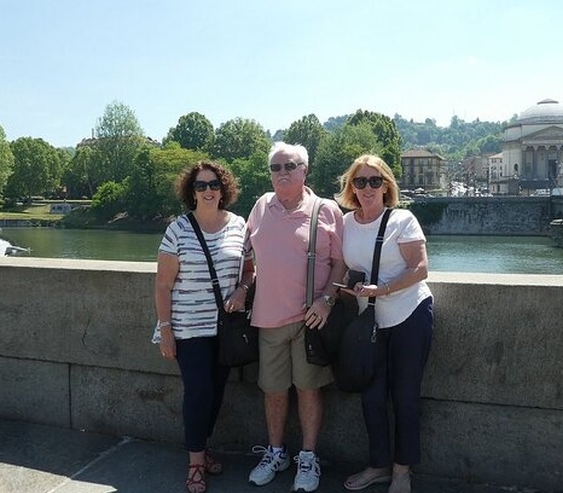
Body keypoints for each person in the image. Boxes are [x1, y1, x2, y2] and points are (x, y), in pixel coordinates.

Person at [246, 142, 346, 492]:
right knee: (273, 392)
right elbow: (244, 253)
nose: (282, 173)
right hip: (267, 318)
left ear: (305, 170)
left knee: (308, 390)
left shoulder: (326, 210)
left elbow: (341, 262)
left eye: (289, 166)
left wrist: (327, 299)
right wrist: (242, 286)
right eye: (275, 167)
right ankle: (276, 453)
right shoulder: (260, 206)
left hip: (310, 320)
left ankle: (307, 456)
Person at [153, 161, 254, 493]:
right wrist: (165, 328)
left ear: (223, 189)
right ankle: (196, 464)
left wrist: (241, 290)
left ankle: (202, 447)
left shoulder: (239, 226)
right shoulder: (178, 229)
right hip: (187, 328)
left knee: (216, 393)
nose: (208, 191)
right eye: (200, 186)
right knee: (199, 392)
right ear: (191, 191)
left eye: (213, 185)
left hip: (223, 329)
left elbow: (249, 269)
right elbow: (163, 284)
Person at [336, 155, 432, 493]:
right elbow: (341, 266)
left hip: (409, 314)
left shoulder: (402, 219)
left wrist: (384, 289)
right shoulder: (346, 223)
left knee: (405, 396)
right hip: (371, 321)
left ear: (386, 185)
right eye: (359, 182)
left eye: (374, 181)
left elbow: (420, 268)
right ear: (351, 187)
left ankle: (402, 471)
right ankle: (378, 465)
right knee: (371, 396)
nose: (367, 188)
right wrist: (344, 287)